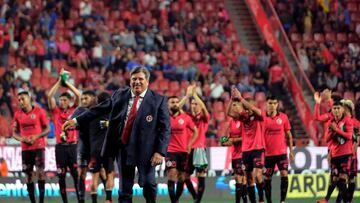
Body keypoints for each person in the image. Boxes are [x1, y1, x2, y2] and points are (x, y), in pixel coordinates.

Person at [63, 66, 171, 203]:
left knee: (149, 185)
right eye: (134, 79)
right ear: (130, 81)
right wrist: (76, 120)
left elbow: (165, 128)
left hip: (147, 152)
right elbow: (98, 109)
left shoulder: (158, 100)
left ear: (147, 81)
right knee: (124, 191)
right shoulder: (120, 95)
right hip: (124, 149)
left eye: (140, 79)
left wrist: (160, 152)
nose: (137, 82)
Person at [48, 68, 81, 203]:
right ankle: (65, 201)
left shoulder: (74, 110)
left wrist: (66, 83)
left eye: (64, 100)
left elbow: (78, 95)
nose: (62, 102)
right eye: (60, 100)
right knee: (61, 176)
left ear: (69, 101)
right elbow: (50, 96)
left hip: (73, 147)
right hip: (60, 148)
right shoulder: (56, 112)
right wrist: (59, 82)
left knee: (75, 176)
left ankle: (80, 200)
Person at [314, 93, 353, 203]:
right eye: (334, 108)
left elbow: (349, 136)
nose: (336, 110)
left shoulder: (347, 120)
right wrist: (332, 131)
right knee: (335, 179)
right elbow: (326, 139)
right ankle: (328, 200)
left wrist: (336, 130)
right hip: (335, 153)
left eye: (338, 108)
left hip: (346, 153)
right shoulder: (331, 121)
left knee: (343, 179)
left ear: (342, 109)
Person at [12, 90, 50, 203]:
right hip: (25, 148)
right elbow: (14, 133)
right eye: (19, 100)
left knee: (40, 172)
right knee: (28, 175)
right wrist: (22, 139)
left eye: (23, 98)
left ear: (29, 98)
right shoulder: (17, 114)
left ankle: (41, 201)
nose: (21, 101)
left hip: (38, 146)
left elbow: (47, 129)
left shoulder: (39, 111)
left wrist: (36, 137)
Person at [230, 86, 265, 203]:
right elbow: (230, 113)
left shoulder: (258, 116)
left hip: (257, 149)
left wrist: (241, 98)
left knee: (257, 175)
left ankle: (261, 199)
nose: (246, 109)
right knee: (249, 179)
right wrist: (232, 99)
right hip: (245, 151)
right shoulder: (243, 117)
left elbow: (257, 111)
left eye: (247, 106)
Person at [178, 85, 210, 203]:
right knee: (185, 177)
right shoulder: (186, 117)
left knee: (201, 175)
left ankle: (197, 201)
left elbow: (204, 109)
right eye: (192, 104)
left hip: (200, 149)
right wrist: (187, 96)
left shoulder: (204, 118)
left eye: (196, 104)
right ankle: (195, 198)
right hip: (188, 150)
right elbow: (176, 109)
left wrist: (195, 95)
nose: (194, 106)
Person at [262, 95, 294, 203]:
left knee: (284, 174)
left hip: (282, 153)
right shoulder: (262, 118)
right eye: (270, 103)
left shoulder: (284, 117)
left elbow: (289, 135)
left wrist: (291, 151)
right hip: (268, 154)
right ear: (266, 104)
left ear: (277, 104)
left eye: (274, 103)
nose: (272, 105)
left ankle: (282, 201)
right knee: (267, 179)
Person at [166, 96, 198, 203]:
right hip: (170, 151)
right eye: (172, 102)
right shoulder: (165, 117)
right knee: (172, 175)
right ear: (168, 104)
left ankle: (177, 200)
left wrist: (190, 145)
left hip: (183, 152)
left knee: (181, 178)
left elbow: (195, 131)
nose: (175, 104)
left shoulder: (185, 117)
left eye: (176, 102)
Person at [88, 92, 115, 203]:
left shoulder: (91, 114)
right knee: (110, 174)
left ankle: (94, 201)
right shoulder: (111, 114)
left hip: (94, 150)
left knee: (94, 177)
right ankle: (108, 199)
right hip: (107, 149)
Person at [71, 90, 97, 203]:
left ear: (93, 98)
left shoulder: (99, 109)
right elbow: (70, 122)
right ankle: (81, 200)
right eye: (82, 99)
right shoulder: (79, 110)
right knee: (81, 174)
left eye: (86, 98)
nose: (83, 101)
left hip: (96, 146)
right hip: (83, 147)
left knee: (101, 173)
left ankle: (106, 199)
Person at [225, 100, 247, 203]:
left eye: (235, 106)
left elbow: (245, 137)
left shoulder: (243, 121)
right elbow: (230, 137)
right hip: (234, 154)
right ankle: (245, 201)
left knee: (241, 179)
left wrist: (233, 140)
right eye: (232, 106)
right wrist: (226, 141)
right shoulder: (231, 122)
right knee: (239, 179)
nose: (233, 108)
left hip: (243, 153)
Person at [340, 99, 359, 203]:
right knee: (341, 180)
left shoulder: (355, 123)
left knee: (351, 179)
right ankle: (346, 200)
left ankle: (349, 200)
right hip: (340, 155)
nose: (344, 111)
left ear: (350, 110)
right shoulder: (340, 123)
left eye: (346, 109)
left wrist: (351, 153)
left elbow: (356, 140)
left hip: (351, 156)